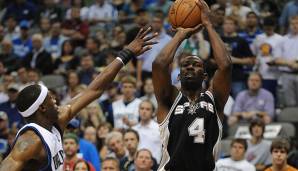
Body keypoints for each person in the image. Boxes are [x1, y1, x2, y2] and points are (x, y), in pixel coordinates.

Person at [0, 27, 157, 171]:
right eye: (50, 98)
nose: (55, 99)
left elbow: (94, 89)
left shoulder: (59, 118)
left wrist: (126, 53)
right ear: (42, 108)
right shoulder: (29, 141)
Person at [152, 0, 232, 170]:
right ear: (179, 76)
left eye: (196, 65)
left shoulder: (214, 99)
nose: (190, 66)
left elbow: (225, 65)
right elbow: (159, 64)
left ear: (204, 75)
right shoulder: (170, 98)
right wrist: (181, 35)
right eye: (186, 65)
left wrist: (208, 24)